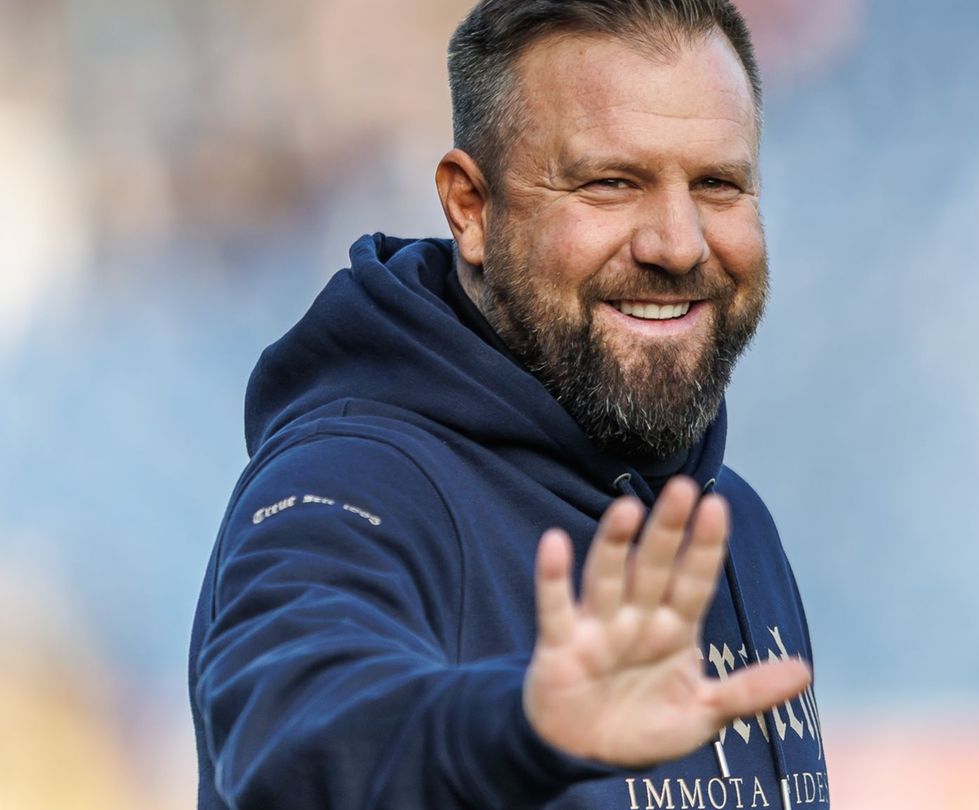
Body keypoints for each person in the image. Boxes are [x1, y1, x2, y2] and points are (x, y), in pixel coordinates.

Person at [187, 1, 830, 808]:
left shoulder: (734, 522)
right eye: (610, 184)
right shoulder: (354, 481)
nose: (678, 242)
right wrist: (520, 726)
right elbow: (289, 737)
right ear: (471, 208)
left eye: (718, 184)